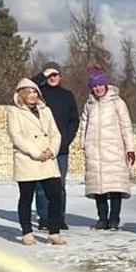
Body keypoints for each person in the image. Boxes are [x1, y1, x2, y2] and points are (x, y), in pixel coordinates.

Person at [7, 79, 66, 245]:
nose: (32, 96)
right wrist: (35, 152)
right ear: (21, 95)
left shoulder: (46, 110)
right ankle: (27, 231)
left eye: (34, 92)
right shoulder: (14, 112)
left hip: (47, 158)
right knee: (26, 197)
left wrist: (52, 150)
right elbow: (15, 136)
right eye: (28, 92)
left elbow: (55, 133)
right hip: (27, 159)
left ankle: (54, 232)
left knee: (55, 195)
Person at [79, 67, 135, 230]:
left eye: (100, 85)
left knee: (115, 186)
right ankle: (102, 218)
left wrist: (129, 149)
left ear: (105, 85)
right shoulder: (89, 104)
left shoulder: (117, 102)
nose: (98, 89)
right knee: (99, 187)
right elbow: (84, 124)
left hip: (113, 149)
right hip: (94, 150)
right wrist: (83, 143)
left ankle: (114, 219)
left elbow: (126, 126)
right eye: (94, 86)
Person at [31, 62, 80, 226]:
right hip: (42, 148)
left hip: (61, 149)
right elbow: (27, 86)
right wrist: (42, 75)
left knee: (59, 186)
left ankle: (59, 218)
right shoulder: (38, 95)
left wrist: (65, 140)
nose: (52, 78)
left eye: (55, 74)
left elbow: (74, 121)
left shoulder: (67, 95)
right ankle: (44, 218)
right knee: (41, 186)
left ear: (60, 76)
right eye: (49, 75)